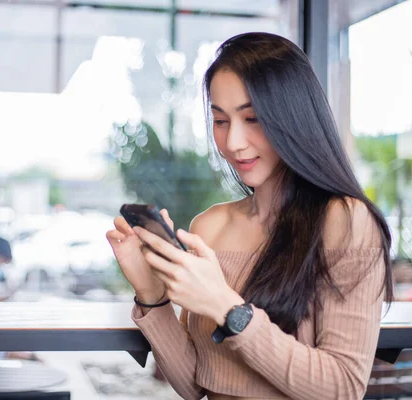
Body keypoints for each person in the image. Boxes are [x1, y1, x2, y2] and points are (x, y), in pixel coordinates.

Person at [106, 32, 393, 400]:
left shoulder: (346, 223)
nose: (233, 142)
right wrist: (151, 291)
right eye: (221, 121)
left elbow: (342, 387)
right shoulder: (209, 226)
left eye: (252, 118)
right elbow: (195, 383)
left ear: (295, 118)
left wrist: (225, 307)